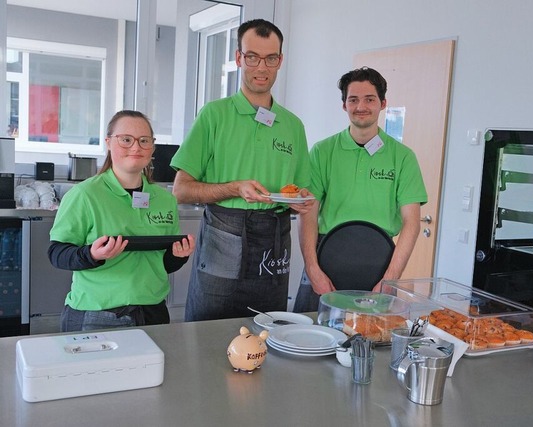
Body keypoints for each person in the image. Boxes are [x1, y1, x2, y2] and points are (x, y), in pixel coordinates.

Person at [170, 19, 312, 321]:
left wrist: (303, 200)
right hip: (224, 236)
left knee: (266, 335)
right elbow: (181, 189)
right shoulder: (214, 115)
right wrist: (234, 188)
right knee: (206, 337)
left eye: (271, 58)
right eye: (252, 57)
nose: (262, 67)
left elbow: (301, 194)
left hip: (273, 246)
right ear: (238, 58)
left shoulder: (293, 126)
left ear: (280, 61)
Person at [293, 67, 428, 313]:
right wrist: (312, 269)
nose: (361, 106)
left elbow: (412, 223)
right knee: (310, 334)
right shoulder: (323, 152)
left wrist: (390, 278)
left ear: (383, 103)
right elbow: (308, 212)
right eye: (353, 99)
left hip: (380, 265)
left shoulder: (403, 157)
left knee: (372, 341)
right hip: (325, 257)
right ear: (344, 105)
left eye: (369, 99)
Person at [48, 110, 195, 332]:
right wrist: (92, 255)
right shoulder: (84, 195)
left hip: (152, 313)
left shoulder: (164, 200)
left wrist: (178, 256)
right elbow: (57, 253)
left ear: (152, 147)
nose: (136, 147)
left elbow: (161, 264)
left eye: (144, 141)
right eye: (126, 140)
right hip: (97, 315)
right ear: (108, 142)